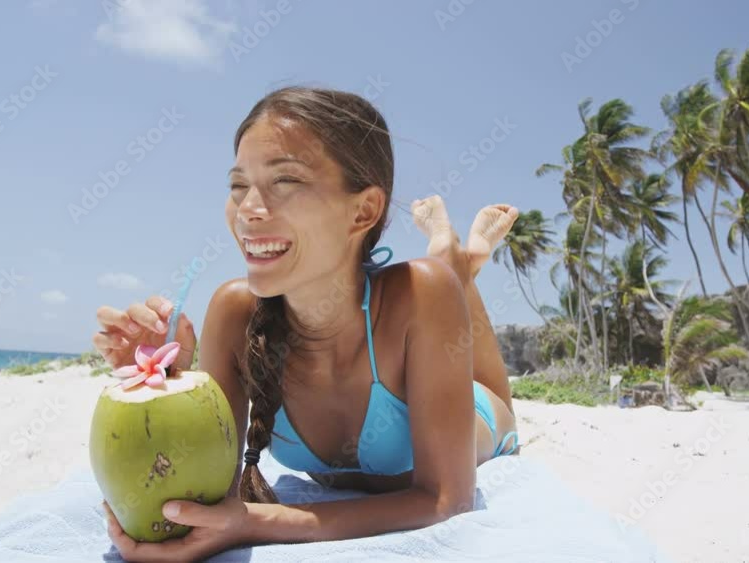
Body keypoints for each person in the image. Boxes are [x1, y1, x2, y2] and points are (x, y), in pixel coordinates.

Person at [93, 86, 521, 561]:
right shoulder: (234, 313)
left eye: (285, 181)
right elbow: (201, 497)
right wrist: (168, 386)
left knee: (448, 280)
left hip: (481, 414)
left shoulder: (420, 294)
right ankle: (457, 257)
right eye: (238, 186)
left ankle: (457, 258)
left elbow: (447, 501)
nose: (248, 210)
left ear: (363, 210)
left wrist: (256, 522)